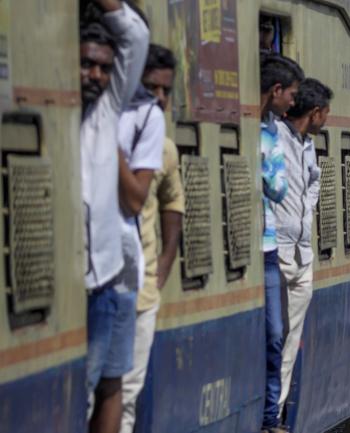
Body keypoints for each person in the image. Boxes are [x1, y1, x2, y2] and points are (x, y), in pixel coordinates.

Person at [79, 1, 149, 433]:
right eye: (87, 65)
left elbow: (136, 37)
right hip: (77, 287)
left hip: (106, 278)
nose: (97, 76)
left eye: (105, 68)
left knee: (110, 385)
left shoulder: (106, 111)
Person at [120, 44, 184, 433]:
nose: (159, 99)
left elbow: (173, 204)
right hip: (105, 287)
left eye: (166, 92)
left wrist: (162, 268)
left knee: (128, 393)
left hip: (142, 291)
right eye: (150, 89)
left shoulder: (165, 149)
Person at [274, 79, 332, 424]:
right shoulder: (274, 140)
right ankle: (270, 413)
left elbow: (314, 182)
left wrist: (304, 212)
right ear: (314, 112)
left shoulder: (307, 145)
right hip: (278, 249)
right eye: (325, 113)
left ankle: (276, 411)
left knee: (290, 338)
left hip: (301, 252)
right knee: (274, 336)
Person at [259, 52, 304, 433]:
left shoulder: (274, 133)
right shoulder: (266, 133)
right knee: (271, 334)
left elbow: (277, 187)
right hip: (258, 247)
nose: (293, 102)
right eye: (290, 94)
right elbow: (276, 185)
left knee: (275, 333)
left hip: (269, 246)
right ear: (275, 90)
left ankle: (270, 416)